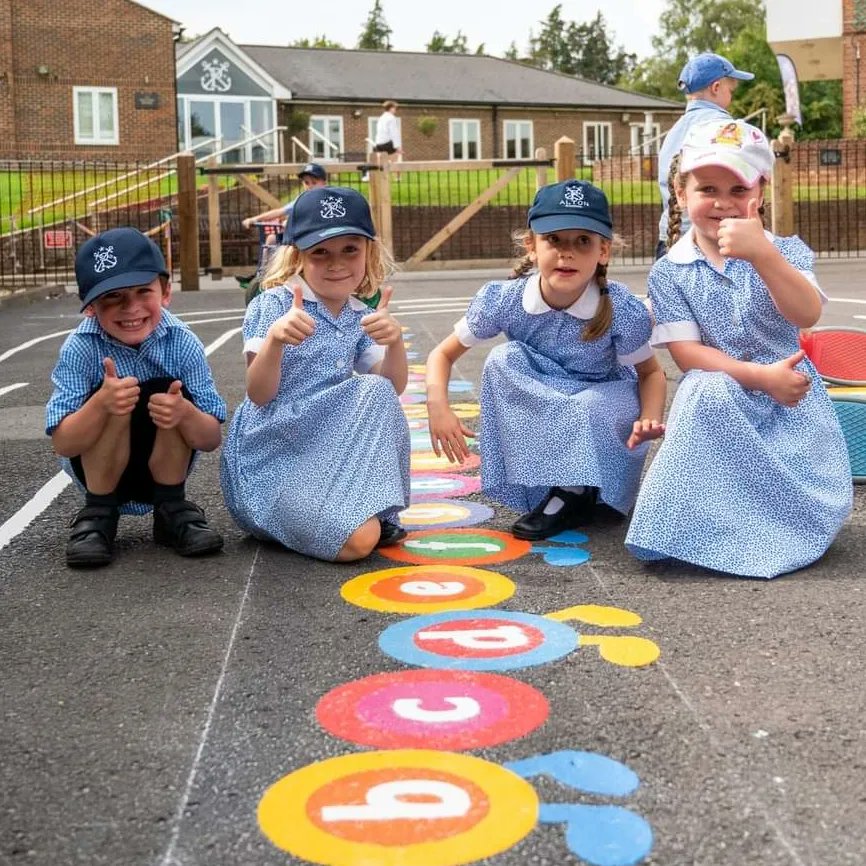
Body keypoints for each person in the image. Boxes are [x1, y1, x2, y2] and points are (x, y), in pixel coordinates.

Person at [626, 119, 853, 578]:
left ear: (761, 192)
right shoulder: (671, 271)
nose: (723, 202)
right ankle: (703, 532)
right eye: (708, 187)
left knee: (721, 404)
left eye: (738, 188)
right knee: (705, 390)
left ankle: (775, 531)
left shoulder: (785, 250)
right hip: (723, 391)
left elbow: (805, 314)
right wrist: (757, 377)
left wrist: (763, 256)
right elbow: (687, 355)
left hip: (790, 398)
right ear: (681, 190)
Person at [426, 180, 667, 541]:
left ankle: (575, 490)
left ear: (603, 251)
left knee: (586, 405)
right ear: (532, 247)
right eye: (554, 239)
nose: (566, 253)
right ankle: (555, 481)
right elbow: (442, 353)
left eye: (582, 241)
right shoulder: (506, 299)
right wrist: (438, 405)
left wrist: (649, 418)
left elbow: (651, 372)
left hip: (602, 399)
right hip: (548, 394)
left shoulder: (616, 308)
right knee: (503, 358)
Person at [221, 186, 411, 562]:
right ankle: (293, 512)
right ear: (297, 256)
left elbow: (393, 387)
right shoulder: (273, 304)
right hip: (274, 455)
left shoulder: (358, 313)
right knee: (358, 542)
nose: (336, 263)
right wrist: (275, 340)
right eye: (320, 252)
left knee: (375, 390)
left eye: (349, 250)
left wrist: (395, 343)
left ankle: (368, 508)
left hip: (326, 449)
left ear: (368, 252)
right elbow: (259, 394)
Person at [46, 227, 227, 568]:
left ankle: (171, 507)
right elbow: (64, 444)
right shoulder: (81, 349)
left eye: (143, 291)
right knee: (114, 396)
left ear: (166, 292)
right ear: (89, 307)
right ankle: (100, 510)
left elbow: (210, 438)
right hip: (99, 470)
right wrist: (100, 404)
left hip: (165, 466)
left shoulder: (182, 343)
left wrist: (184, 414)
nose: (130, 308)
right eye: (112, 296)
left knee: (166, 394)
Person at [656, 52, 753, 259]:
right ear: (716, 87)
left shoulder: (673, 132)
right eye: (731, 90)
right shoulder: (725, 129)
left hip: (671, 236)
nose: (732, 96)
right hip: (711, 239)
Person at [373, 100, 402, 176]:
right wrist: (398, 147)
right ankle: (397, 177)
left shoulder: (381, 118)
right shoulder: (391, 118)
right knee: (396, 158)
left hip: (378, 144)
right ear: (391, 108)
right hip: (387, 144)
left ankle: (382, 172)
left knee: (383, 160)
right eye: (395, 108)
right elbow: (394, 133)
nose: (396, 110)